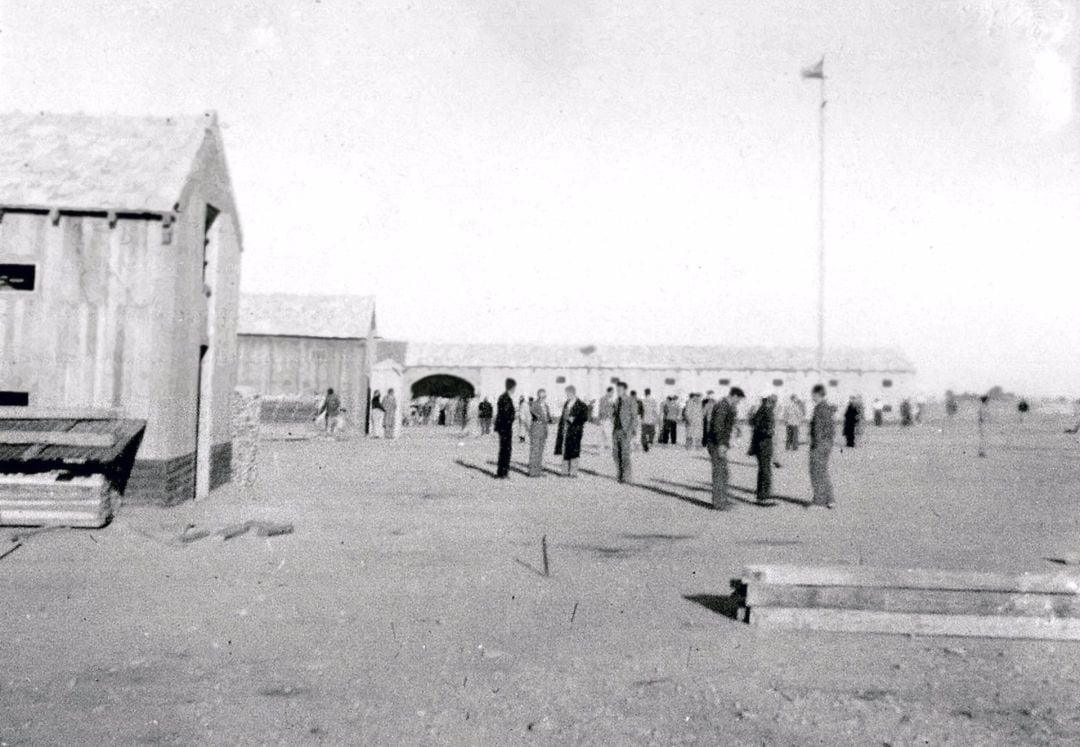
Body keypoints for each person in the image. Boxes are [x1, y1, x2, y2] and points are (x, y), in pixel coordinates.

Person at [705, 387, 745, 510]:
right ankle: (718, 503)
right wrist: (721, 444)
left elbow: (727, 421)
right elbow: (718, 426)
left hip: (719, 443)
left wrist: (737, 427)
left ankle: (722, 500)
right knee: (719, 473)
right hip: (716, 443)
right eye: (738, 400)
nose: (738, 402)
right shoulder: (722, 406)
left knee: (724, 472)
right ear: (734, 396)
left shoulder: (726, 406)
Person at [809, 384, 836, 508]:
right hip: (827, 443)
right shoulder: (828, 408)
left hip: (819, 444)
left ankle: (822, 499)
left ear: (817, 394)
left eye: (813, 395)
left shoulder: (819, 408)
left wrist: (815, 444)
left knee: (816, 471)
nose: (812, 397)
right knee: (822, 471)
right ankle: (828, 499)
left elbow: (817, 429)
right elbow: (831, 428)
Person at [748, 392, 777, 502]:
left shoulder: (761, 409)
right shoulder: (767, 410)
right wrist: (769, 431)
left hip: (760, 443)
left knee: (763, 469)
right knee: (765, 470)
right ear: (769, 400)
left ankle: (762, 495)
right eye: (773, 400)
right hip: (764, 443)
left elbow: (753, 423)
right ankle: (763, 496)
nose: (775, 403)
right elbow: (765, 427)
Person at [555, 385, 589, 477]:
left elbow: (585, 418)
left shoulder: (582, 405)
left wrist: (574, 419)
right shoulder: (567, 403)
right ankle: (564, 471)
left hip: (575, 431)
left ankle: (573, 472)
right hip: (565, 430)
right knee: (565, 449)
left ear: (573, 393)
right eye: (566, 394)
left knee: (574, 450)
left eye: (568, 394)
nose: (567, 395)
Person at [611, 381, 638, 483]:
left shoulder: (631, 400)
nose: (618, 391)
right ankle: (620, 475)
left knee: (625, 454)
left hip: (625, 431)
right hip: (616, 430)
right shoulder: (617, 400)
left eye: (620, 389)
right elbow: (615, 414)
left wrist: (630, 431)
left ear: (625, 390)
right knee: (616, 454)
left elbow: (634, 417)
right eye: (617, 389)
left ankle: (627, 477)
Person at [494, 379, 517, 478]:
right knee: (506, 450)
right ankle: (503, 473)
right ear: (511, 387)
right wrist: (513, 416)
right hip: (505, 428)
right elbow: (506, 414)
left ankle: (502, 472)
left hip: (502, 427)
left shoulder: (502, 397)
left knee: (504, 450)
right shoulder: (506, 399)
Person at [528, 389, 552, 477]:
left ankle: (538, 471)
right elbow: (532, 411)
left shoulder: (546, 406)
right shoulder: (534, 404)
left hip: (544, 430)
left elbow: (548, 417)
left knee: (540, 451)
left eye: (544, 396)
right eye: (541, 396)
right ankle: (532, 472)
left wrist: (550, 419)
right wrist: (539, 416)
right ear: (538, 396)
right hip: (536, 430)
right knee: (535, 451)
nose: (543, 398)